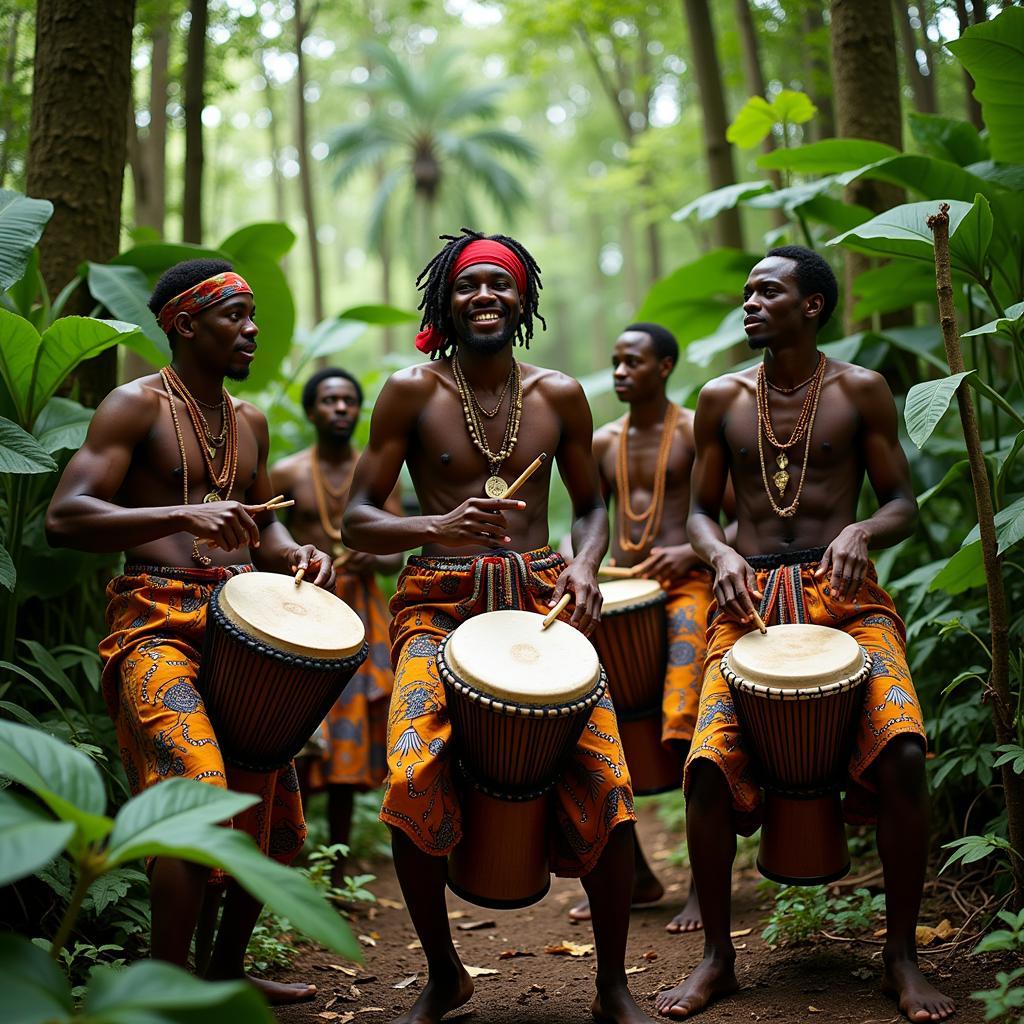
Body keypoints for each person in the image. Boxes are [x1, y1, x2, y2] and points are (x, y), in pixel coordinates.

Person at [343, 228, 652, 1024]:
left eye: (499, 285)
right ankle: (444, 975)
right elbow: (356, 522)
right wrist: (435, 528)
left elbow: (590, 508)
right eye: (468, 285)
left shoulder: (559, 395)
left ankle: (613, 985)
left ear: (523, 301)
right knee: (411, 778)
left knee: (607, 781)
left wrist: (587, 564)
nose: (484, 295)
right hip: (437, 607)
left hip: (544, 604)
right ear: (445, 301)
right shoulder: (410, 392)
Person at [654, 246, 954, 1022]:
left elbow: (901, 502)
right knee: (709, 768)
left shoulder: (862, 390)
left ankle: (901, 957)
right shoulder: (721, 397)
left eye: (767, 291)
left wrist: (859, 531)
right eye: (748, 292)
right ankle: (718, 959)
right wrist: (717, 552)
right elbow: (696, 511)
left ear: (812, 305)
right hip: (748, 598)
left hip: (844, 596)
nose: (750, 303)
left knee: (907, 752)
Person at [45, 259, 334, 1005]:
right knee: (194, 789)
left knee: (266, 799)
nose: (251, 328)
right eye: (233, 316)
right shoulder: (132, 406)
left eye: (250, 316)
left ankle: (227, 973)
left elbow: (260, 539)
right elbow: (67, 516)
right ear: (182, 323)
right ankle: (166, 989)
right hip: (153, 625)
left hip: (244, 631)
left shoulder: (251, 422)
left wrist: (294, 552)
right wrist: (180, 514)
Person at [570, 323, 723, 933]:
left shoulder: (696, 431)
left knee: (686, 715)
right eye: (614, 361)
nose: (619, 372)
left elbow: (732, 524)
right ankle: (633, 873)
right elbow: (588, 521)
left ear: (664, 366)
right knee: (590, 720)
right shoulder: (604, 441)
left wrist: (691, 554)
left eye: (632, 361)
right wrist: (581, 564)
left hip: (688, 587)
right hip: (620, 587)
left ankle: (699, 888)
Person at [271, 366, 402, 886]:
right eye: (329, 400)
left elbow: (392, 552)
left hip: (360, 616)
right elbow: (265, 538)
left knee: (348, 736)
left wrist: (378, 558)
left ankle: (340, 863)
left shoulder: (375, 472)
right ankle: (287, 856)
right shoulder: (286, 473)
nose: (341, 409)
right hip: (303, 615)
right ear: (311, 411)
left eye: (349, 400)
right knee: (296, 729)